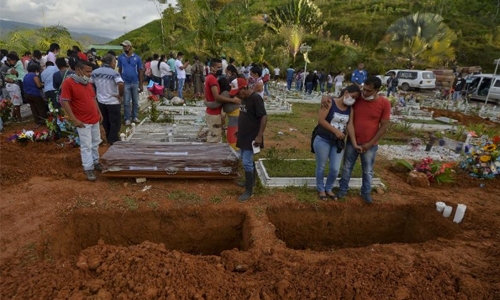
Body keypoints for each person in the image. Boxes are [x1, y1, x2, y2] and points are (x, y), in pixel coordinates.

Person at [324, 76, 391, 204]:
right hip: (352, 141)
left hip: (370, 144)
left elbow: (384, 127)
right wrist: (325, 98)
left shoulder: (384, 103)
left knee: (367, 170)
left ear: (377, 90)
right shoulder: (358, 98)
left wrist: (370, 144)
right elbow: (338, 99)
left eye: (368, 91)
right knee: (347, 167)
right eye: (364, 89)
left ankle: (365, 192)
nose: (365, 93)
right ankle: (343, 190)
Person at [313, 85, 360, 201]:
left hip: (338, 142)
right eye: (353, 97)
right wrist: (336, 131)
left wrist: (354, 144)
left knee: (335, 168)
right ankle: (321, 189)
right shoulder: (329, 103)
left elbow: (350, 126)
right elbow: (321, 120)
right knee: (321, 166)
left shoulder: (350, 109)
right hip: (323, 139)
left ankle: (328, 188)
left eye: (355, 99)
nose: (353, 100)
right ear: (347, 93)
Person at [60, 60, 103, 181]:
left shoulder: (87, 83)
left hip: (94, 118)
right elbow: (65, 101)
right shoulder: (68, 83)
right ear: (78, 70)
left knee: (95, 142)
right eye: (87, 71)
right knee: (86, 145)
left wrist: (99, 112)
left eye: (91, 71)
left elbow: (93, 98)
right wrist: (74, 119)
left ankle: (96, 162)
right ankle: (88, 168)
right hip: (82, 121)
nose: (90, 74)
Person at [229, 78, 267, 202]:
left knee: (246, 161)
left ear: (244, 88)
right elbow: (245, 116)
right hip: (244, 135)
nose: (238, 95)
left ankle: (249, 191)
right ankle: (250, 182)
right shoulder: (244, 98)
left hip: (252, 136)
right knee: (247, 160)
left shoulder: (256, 98)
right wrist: (240, 131)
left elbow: (263, 117)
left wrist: (260, 135)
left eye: (238, 92)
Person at [204, 64, 241, 149]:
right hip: (235, 115)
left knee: (232, 134)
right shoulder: (228, 91)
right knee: (233, 132)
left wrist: (205, 102)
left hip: (234, 116)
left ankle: (235, 151)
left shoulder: (224, 94)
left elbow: (214, 105)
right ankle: (235, 149)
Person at [91, 54, 124, 145]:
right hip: (113, 101)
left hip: (100, 100)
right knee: (115, 122)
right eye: (114, 62)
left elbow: (90, 83)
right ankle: (113, 139)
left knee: (105, 121)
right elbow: (121, 84)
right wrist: (120, 95)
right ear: (110, 63)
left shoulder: (95, 72)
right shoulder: (114, 73)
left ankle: (109, 137)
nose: (115, 64)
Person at [117, 40, 143, 126]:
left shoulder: (137, 58)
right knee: (126, 101)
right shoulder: (121, 57)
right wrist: (119, 81)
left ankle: (134, 116)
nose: (124, 48)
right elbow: (120, 70)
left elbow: (140, 71)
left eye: (125, 46)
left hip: (135, 82)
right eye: (123, 46)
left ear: (130, 46)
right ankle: (127, 118)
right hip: (125, 83)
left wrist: (141, 84)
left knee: (135, 101)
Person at [4, 53, 26, 122]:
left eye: (10, 60)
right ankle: (19, 118)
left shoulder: (17, 64)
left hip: (14, 84)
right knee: (16, 103)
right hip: (12, 85)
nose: (9, 62)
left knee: (16, 102)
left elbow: (17, 73)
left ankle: (14, 117)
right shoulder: (10, 66)